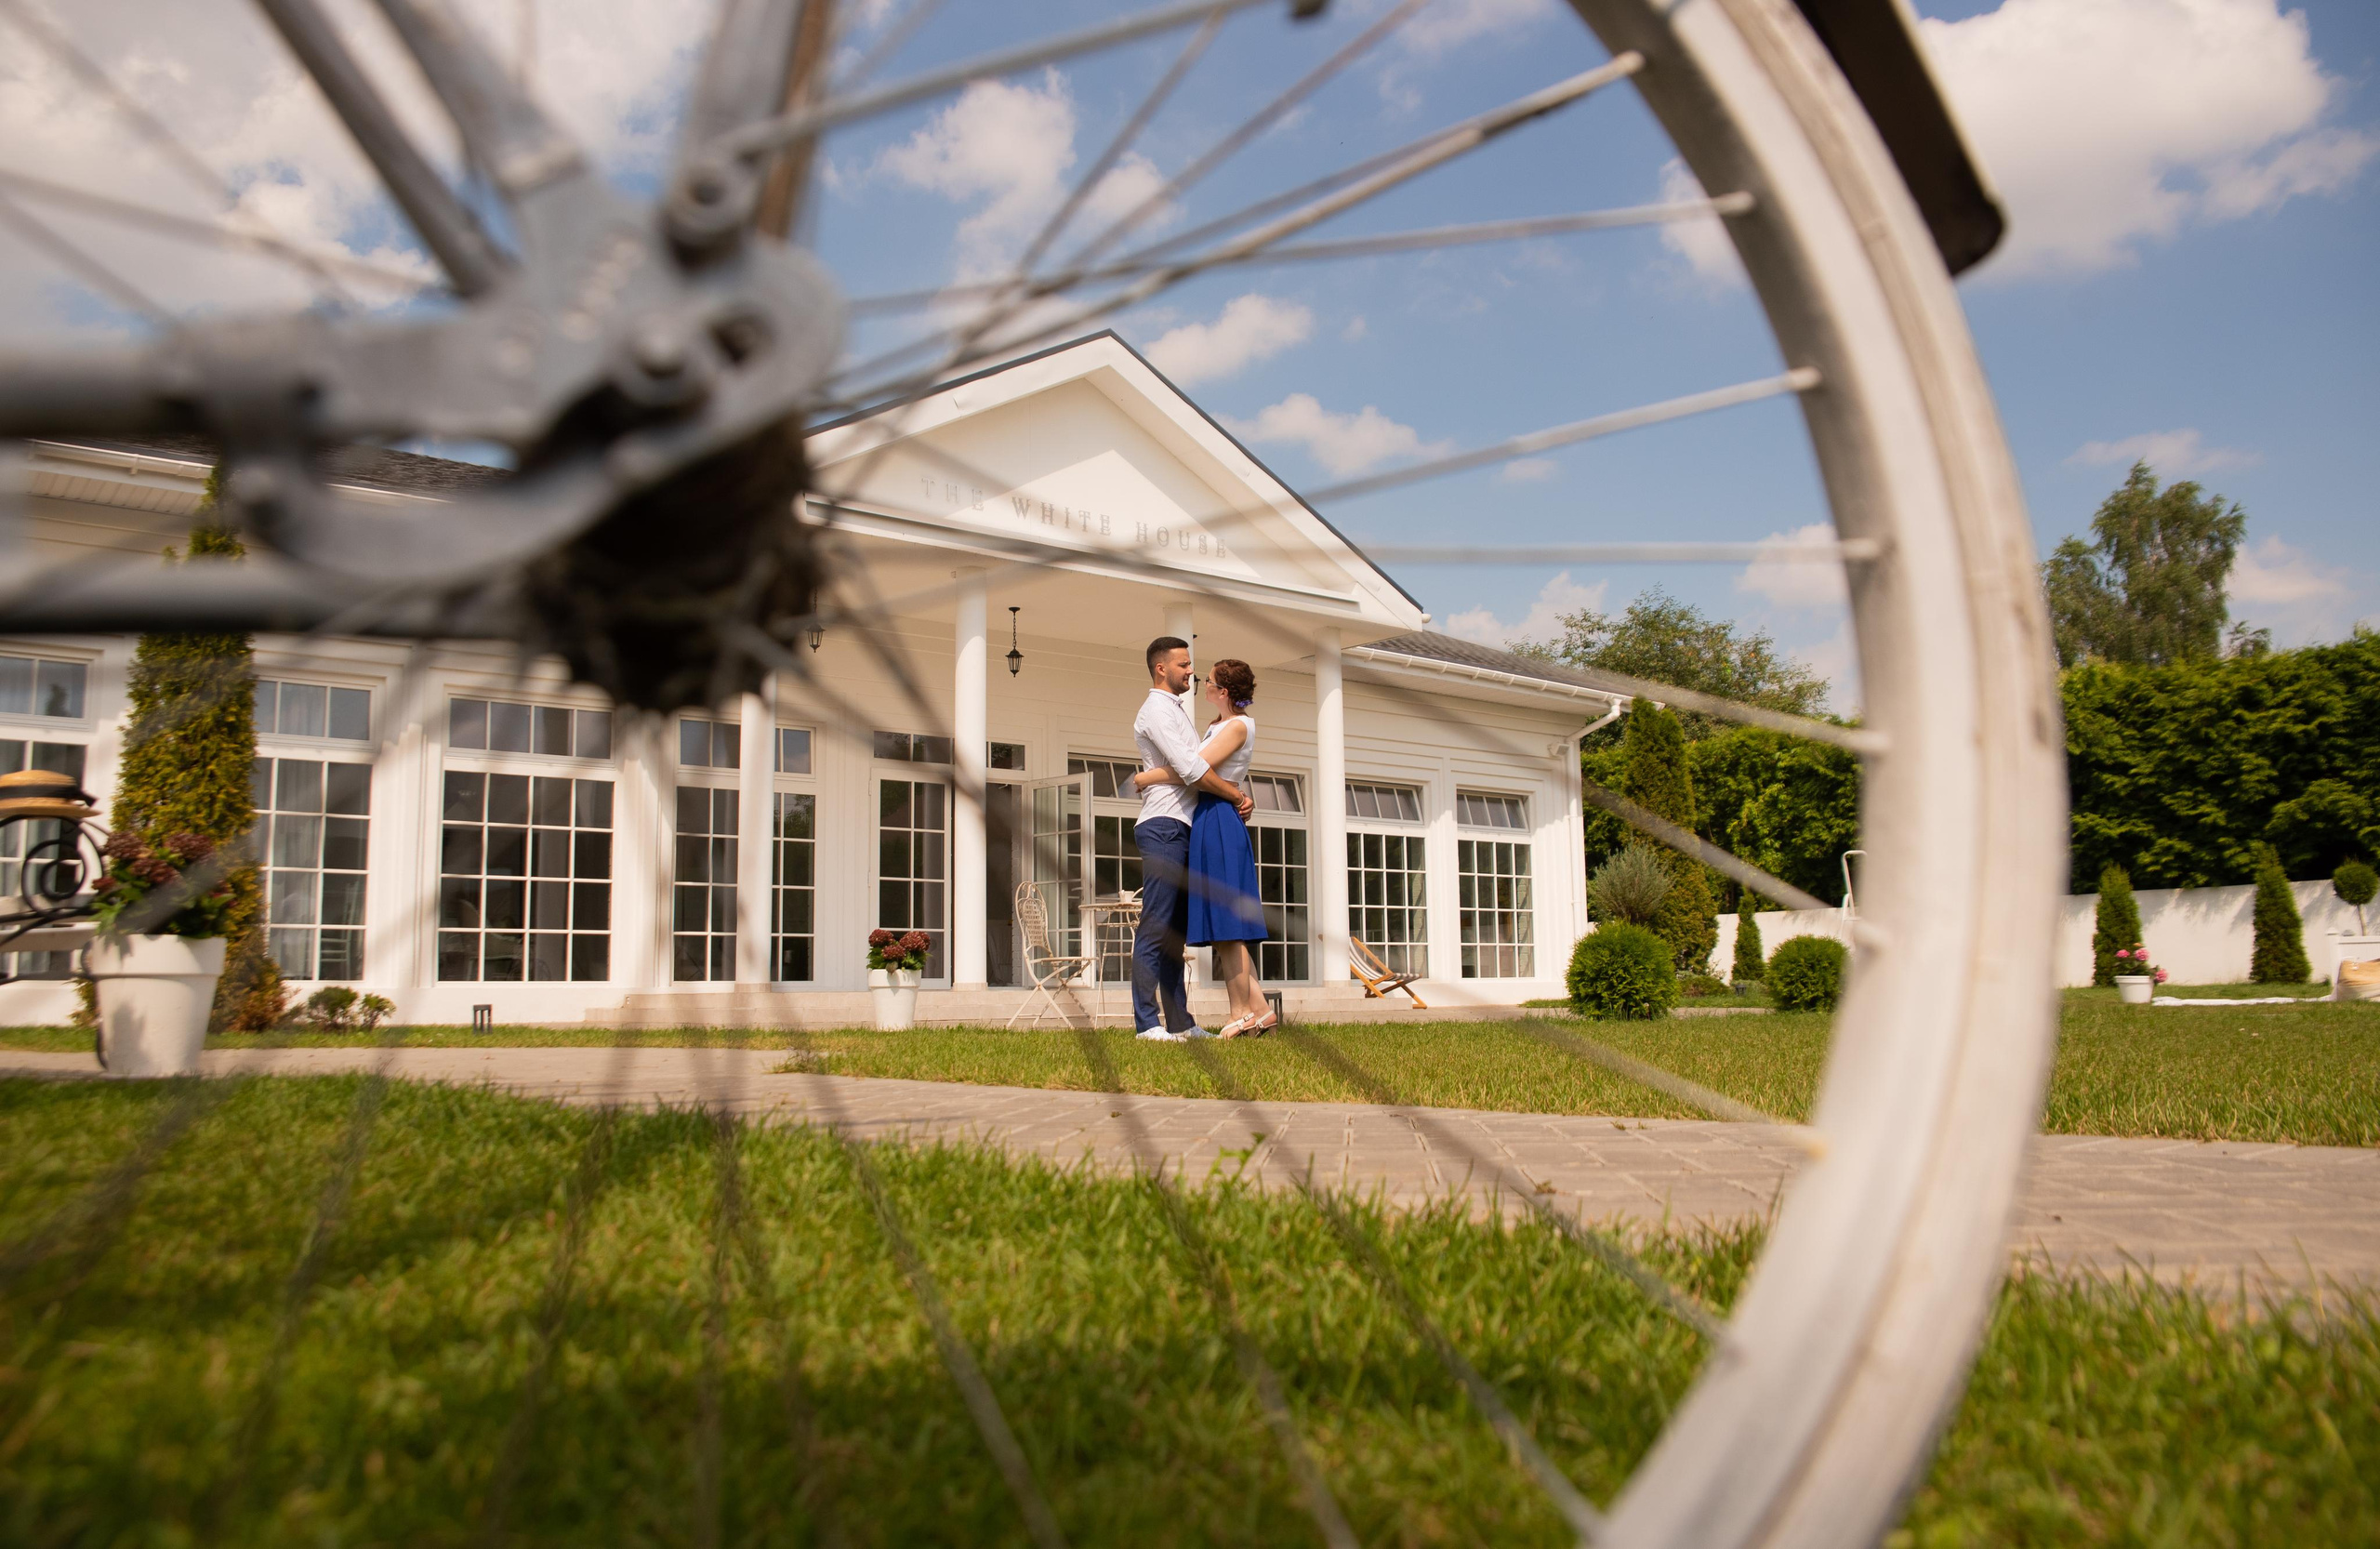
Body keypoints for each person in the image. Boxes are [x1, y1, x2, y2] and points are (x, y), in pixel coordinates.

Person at [1135, 657, 1274, 1037]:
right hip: (1207, 816)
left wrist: (1146, 776)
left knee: (1227, 923)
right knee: (1221, 920)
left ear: (1223, 691)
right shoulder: (1215, 726)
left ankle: (1240, 1012)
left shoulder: (1238, 725)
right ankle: (1260, 1010)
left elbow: (1194, 768)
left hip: (1217, 818)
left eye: (1207, 680)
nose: (1201, 683)